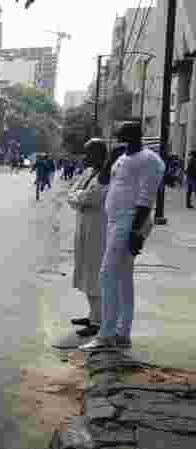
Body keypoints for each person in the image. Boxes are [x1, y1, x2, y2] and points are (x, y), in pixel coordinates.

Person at [80, 122, 165, 352]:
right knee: (122, 277)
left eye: (122, 136)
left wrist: (136, 232)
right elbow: (105, 180)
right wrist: (112, 158)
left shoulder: (150, 160)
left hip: (129, 222)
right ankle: (121, 333)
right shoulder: (121, 158)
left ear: (135, 137)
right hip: (115, 221)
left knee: (107, 274)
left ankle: (106, 334)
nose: (118, 140)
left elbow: (146, 199)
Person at [66, 142, 111, 338]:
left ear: (99, 155)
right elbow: (72, 194)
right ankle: (92, 314)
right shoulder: (88, 172)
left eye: (89, 153)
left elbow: (90, 198)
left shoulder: (106, 176)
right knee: (85, 271)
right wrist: (79, 197)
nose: (85, 156)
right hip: (84, 226)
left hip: (98, 229)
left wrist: (78, 198)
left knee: (94, 273)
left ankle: (98, 321)